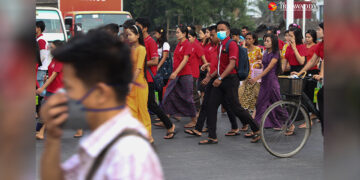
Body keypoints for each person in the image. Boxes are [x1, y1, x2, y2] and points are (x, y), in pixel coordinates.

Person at [40, 29, 164, 180]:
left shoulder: (128, 155)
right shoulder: (99, 136)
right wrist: (53, 137)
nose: (62, 97)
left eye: (70, 89)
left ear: (100, 92)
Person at [199, 21, 260, 144]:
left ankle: (256, 129)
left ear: (228, 31)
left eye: (223, 29)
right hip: (221, 79)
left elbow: (232, 65)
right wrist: (211, 77)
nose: (220, 32)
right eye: (219, 29)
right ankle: (212, 136)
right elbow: (220, 66)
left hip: (230, 80)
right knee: (211, 106)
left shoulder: (231, 44)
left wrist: (220, 78)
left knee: (236, 108)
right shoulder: (220, 45)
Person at [185, 25, 240, 137]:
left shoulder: (222, 46)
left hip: (220, 78)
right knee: (210, 104)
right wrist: (209, 69)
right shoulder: (215, 47)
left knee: (227, 105)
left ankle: (246, 126)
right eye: (210, 34)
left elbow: (223, 65)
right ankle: (202, 129)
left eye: (212, 35)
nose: (211, 37)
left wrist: (211, 76)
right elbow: (215, 63)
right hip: (215, 77)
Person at [249, 33, 291, 135]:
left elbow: (269, 68)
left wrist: (257, 78)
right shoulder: (266, 52)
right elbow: (264, 65)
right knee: (260, 104)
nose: (265, 43)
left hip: (271, 82)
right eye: (265, 41)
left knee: (277, 105)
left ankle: (290, 124)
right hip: (264, 82)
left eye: (268, 41)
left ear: (273, 42)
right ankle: (256, 128)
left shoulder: (276, 53)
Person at [135, 18, 172, 133]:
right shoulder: (139, 42)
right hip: (140, 78)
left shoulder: (150, 42)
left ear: (145, 28)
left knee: (151, 104)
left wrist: (139, 64)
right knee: (144, 104)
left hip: (149, 78)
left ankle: (169, 125)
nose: (136, 28)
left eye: (138, 26)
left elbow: (155, 61)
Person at [162, 25, 197, 129]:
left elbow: (185, 60)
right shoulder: (179, 44)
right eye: (176, 32)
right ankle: (166, 118)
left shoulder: (187, 44)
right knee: (170, 95)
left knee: (187, 97)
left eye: (178, 32)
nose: (176, 34)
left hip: (185, 75)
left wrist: (175, 72)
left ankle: (194, 119)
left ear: (184, 33)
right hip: (177, 74)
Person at [295, 22, 324, 134]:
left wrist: (321, 74)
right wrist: (300, 73)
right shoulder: (321, 45)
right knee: (320, 95)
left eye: (319, 29)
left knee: (321, 95)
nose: (317, 31)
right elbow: (312, 61)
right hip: (312, 73)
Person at [35, 40, 65, 140]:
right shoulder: (53, 59)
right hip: (50, 90)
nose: (50, 49)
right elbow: (51, 74)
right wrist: (46, 79)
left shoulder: (60, 60)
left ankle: (41, 132)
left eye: (52, 47)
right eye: (50, 47)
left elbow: (54, 75)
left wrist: (42, 87)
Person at [151, 26, 177, 139]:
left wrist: (158, 66)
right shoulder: (157, 44)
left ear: (160, 34)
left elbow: (164, 57)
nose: (155, 35)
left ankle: (166, 115)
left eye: (156, 33)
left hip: (164, 71)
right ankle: (164, 115)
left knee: (163, 93)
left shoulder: (165, 44)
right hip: (159, 70)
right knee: (160, 93)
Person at [238, 32, 262, 121]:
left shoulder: (257, 50)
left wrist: (259, 65)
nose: (247, 40)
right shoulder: (243, 50)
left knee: (254, 98)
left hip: (254, 77)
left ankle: (252, 118)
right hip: (244, 77)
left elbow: (261, 62)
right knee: (241, 97)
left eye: (249, 39)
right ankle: (247, 118)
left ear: (253, 40)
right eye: (246, 39)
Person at [298, 29, 319, 128]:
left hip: (313, 72)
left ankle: (313, 113)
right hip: (304, 71)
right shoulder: (303, 46)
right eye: (306, 37)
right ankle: (312, 113)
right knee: (305, 92)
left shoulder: (316, 46)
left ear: (313, 37)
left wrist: (307, 68)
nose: (307, 39)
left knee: (311, 93)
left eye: (309, 37)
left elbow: (315, 61)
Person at [187, 30, 209, 128]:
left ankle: (197, 115)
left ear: (194, 37)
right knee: (190, 94)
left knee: (193, 94)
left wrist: (209, 72)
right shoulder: (187, 46)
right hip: (186, 73)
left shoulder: (197, 46)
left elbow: (204, 59)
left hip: (193, 73)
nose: (188, 39)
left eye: (190, 37)